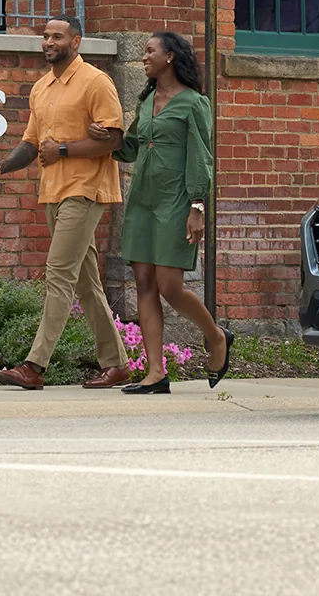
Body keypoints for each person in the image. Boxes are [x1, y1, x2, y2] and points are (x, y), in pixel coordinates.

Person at [0, 15, 133, 390]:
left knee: (58, 274)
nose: (49, 42)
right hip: (52, 190)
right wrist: (2, 165)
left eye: (57, 36)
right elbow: (33, 144)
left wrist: (63, 149)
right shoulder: (41, 87)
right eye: (45, 36)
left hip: (85, 189)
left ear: (76, 42)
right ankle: (117, 364)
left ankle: (34, 366)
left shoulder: (96, 82)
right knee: (85, 283)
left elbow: (114, 140)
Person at [87, 31, 231, 394]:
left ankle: (216, 336)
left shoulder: (194, 103)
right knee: (145, 284)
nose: (145, 57)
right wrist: (107, 138)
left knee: (170, 286)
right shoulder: (149, 98)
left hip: (176, 202)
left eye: (150, 51)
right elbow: (132, 147)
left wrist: (197, 206)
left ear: (170, 57)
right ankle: (155, 373)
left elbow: (202, 158)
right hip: (142, 201)